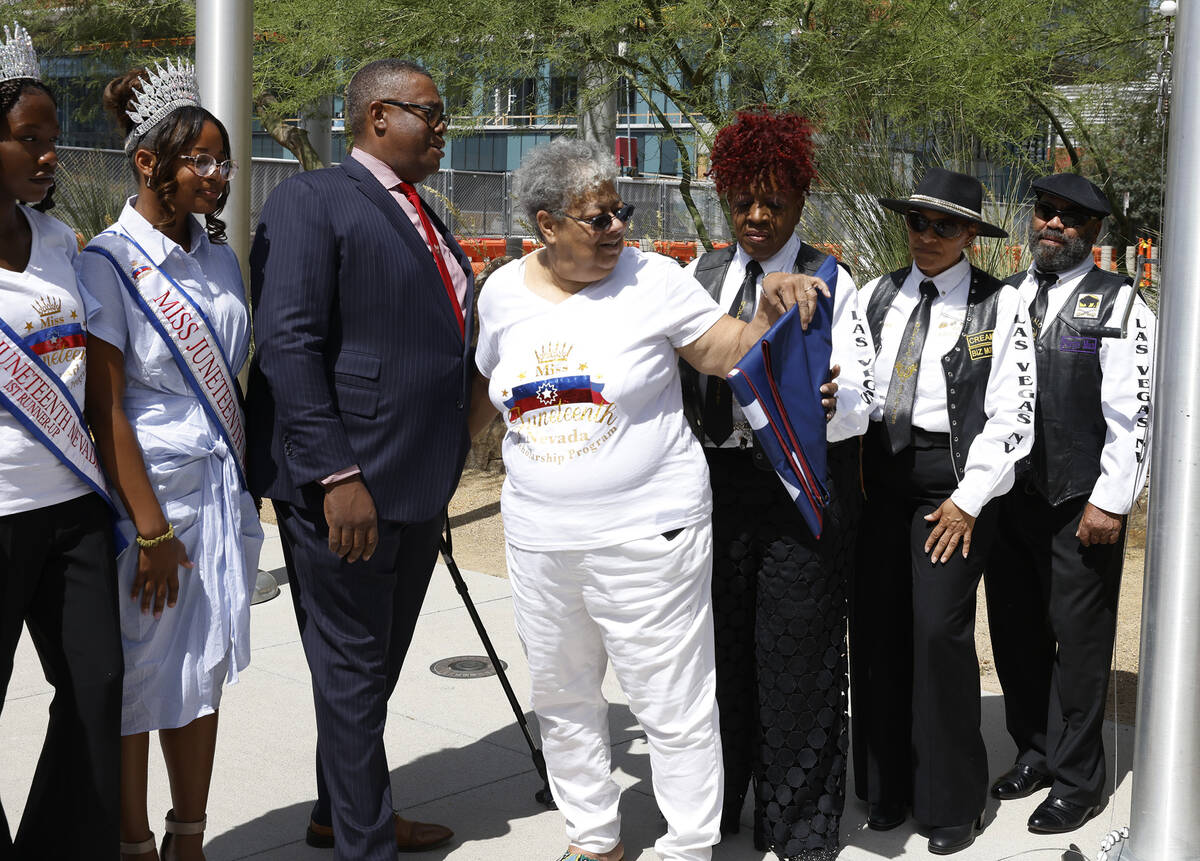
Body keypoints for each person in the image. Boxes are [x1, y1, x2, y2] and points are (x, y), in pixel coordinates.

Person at [470, 136, 824, 861]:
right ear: (546, 225)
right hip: (541, 540)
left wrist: (767, 313)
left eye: (618, 211)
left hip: (649, 535)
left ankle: (688, 845)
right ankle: (593, 838)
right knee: (563, 699)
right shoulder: (502, 290)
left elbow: (726, 352)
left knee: (672, 701)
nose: (616, 228)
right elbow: (484, 392)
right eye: (596, 218)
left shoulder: (653, 278)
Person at [246, 59, 467, 860]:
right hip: (349, 487)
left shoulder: (424, 211)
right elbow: (289, 343)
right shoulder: (313, 198)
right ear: (378, 116)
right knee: (350, 671)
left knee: (366, 677)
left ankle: (339, 813)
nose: (444, 128)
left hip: (414, 482)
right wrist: (336, 475)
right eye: (432, 114)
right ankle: (363, 844)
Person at [76, 60, 263, 860]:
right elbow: (104, 402)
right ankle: (134, 842)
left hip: (216, 496)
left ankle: (191, 837)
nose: (216, 177)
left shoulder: (218, 257)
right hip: (148, 507)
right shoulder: (106, 262)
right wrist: (150, 529)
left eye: (222, 162)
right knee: (143, 683)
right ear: (148, 162)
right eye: (200, 161)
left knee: (202, 669)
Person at [677, 109, 874, 860]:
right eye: (743, 200)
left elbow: (862, 395)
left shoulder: (833, 276)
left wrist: (831, 405)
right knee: (718, 654)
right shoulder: (700, 275)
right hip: (714, 490)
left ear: (800, 200)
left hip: (798, 494)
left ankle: (797, 827)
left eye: (775, 201)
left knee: (796, 658)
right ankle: (715, 806)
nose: (757, 216)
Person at [849, 167, 1035, 855]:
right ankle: (888, 784)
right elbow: (859, 390)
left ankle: (952, 800)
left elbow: (1014, 414)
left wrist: (965, 500)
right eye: (918, 222)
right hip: (879, 482)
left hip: (953, 489)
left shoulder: (1000, 305)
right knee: (878, 633)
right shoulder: (875, 294)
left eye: (944, 226)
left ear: (970, 236)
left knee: (937, 635)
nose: (927, 236)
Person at [983, 173, 1154, 834]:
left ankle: (1081, 779)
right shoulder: (1006, 297)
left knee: (1080, 648)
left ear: (1094, 231)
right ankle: (1034, 749)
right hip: (1012, 499)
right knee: (1018, 635)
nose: (1054, 224)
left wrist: (1111, 502)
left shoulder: (1122, 305)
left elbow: (1133, 415)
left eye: (1071, 217)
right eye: (1046, 211)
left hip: (1079, 502)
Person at [0, 24, 124, 858]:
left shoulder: (56, 243)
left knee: (96, 686)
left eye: (52, 138)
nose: (51, 155)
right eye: (30, 139)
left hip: (71, 506)